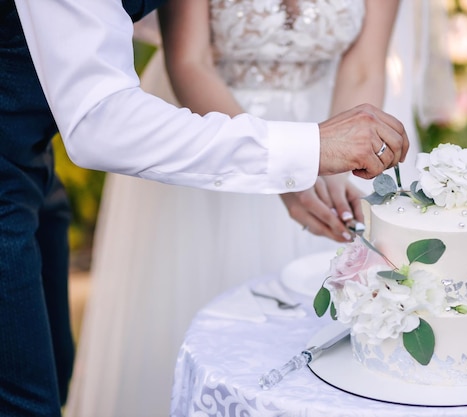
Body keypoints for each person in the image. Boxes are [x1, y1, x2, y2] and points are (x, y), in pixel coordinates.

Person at [0, 0, 410, 416]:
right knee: (27, 400)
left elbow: (365, 65)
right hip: (29, 157)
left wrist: (332, 167)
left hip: (27, 149)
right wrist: (302, 154)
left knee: (52, 364)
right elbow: (100, 119)